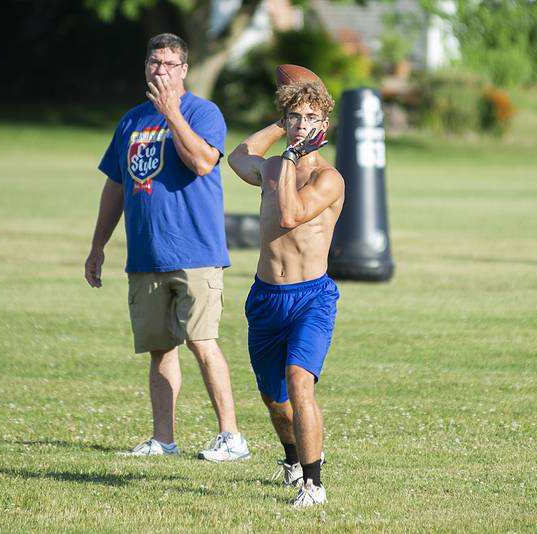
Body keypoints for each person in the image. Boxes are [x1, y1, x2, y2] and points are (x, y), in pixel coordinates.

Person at [85, 33, 249, 462]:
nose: (160, 69)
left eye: (169, 63)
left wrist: (173, 114)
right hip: (146, 255)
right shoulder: (131, 121)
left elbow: (201, 162)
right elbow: (116, 186)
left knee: (203, 341)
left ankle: (231, 437)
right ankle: (164, 439)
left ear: (184, 70)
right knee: (160, 349)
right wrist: (98, 245)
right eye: (153, 62)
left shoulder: (203, 112)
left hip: (196, 252)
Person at [227, 80, 343, 506]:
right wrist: (279, 128)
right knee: (274, 399)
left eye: (312, 118)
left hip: (310, 297)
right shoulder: (273, 167)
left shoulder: (329, 179)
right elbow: (238, 158)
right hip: (265, 297)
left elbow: (291, 214)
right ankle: (295, 458)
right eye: (295, 116)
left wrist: (291, 156)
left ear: (325, 124)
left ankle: (313, 484)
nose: (302, 125)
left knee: (300, 382)